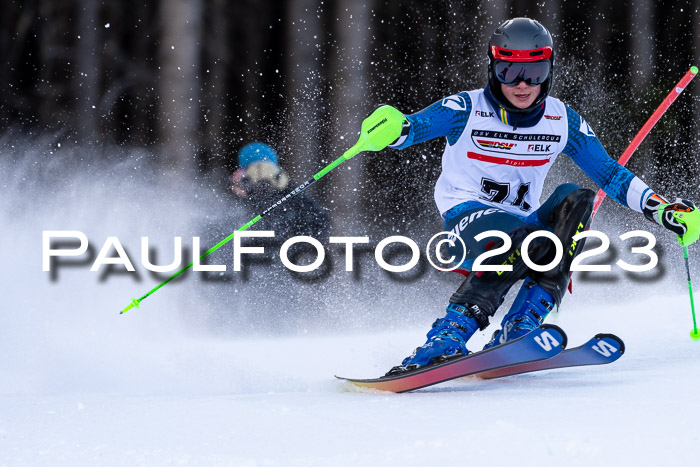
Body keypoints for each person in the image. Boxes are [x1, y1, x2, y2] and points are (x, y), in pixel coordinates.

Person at [353, 18, 700, 375]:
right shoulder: (465, 109)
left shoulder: (561, 119)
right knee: (516, 236)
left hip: (523, 227)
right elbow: (413, 129)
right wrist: (391, 127)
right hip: (466, 221)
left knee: (576, 200)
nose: (521, 84)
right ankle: (447, 335)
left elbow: (610, 174)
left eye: (534, 72)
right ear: (493, 67)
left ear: (548, 71)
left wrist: (662, 210)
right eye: (509, 70)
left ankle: (522, 324)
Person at [231, 142, 331, 242]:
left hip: (291, 246)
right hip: (283, 245)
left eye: (245, 169)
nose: (239, 174)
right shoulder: (281, 188)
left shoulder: (279, 193)